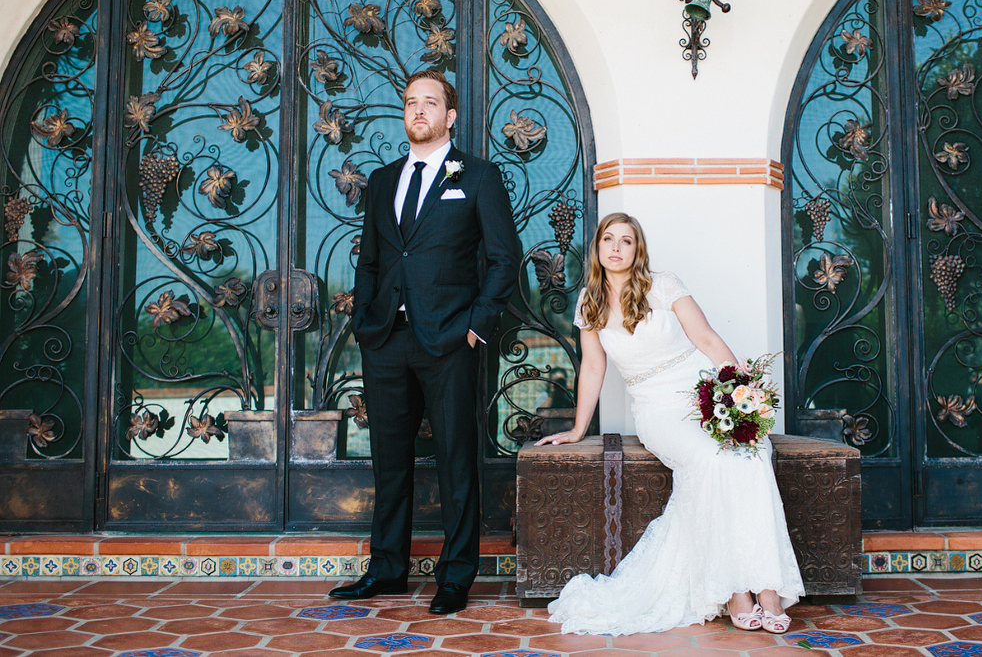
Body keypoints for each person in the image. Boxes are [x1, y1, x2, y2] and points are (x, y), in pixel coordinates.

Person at [536, 212, 804, 635]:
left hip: (703, 393)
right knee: (709, 461)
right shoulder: (589, 300)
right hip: (658, 408)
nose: (617, 248)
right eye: (609, 239)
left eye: (627, 240)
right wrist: (577, 428)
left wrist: (742, 395)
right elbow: (592, 367)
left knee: (750, 455)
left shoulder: (663, 285)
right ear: (598, 248)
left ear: (637, 249)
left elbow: (708, 340)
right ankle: (734, 589)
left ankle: (767, 588)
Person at [329, 70, 520, 614]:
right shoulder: (384, 179)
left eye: (429, 103)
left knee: (457, 462)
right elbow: (370, 259)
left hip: (449, 340)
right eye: (411, 103)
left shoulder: (478, 176)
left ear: (450, 116)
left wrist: (475, 325)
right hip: (387, 338)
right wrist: (366, 320)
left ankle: (455, 578)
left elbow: (504, 260)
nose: (419, 111)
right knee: (390, 463)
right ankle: (387, 570)